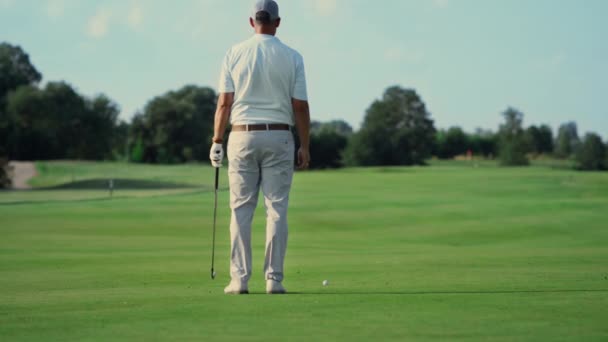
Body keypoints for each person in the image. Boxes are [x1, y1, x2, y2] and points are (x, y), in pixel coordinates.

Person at [209, 0, 311, 295]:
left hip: (241, 136)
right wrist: (304, 144)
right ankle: (273, 280)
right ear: (278, 22)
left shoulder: (234, 53)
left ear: (251, 21)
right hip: (279, 135)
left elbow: (224, 103)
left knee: (241, 210)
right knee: (276, 209)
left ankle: (239, 280)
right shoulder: (292, 56)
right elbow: (300, 107)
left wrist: (217, 140)